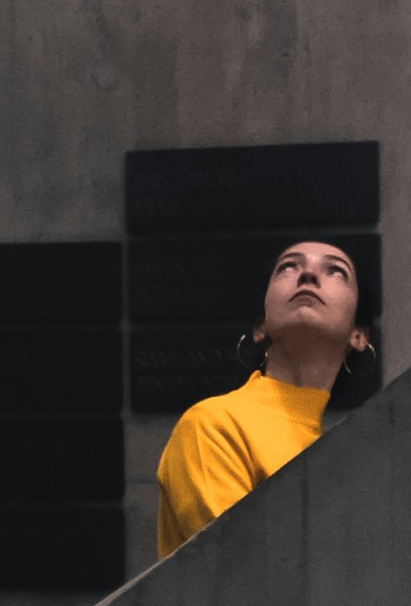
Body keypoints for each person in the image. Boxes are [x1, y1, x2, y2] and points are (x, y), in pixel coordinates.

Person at [153, 238, 376, 557]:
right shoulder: (213, 425)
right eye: (289, 266)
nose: (308, 275)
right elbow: (246, 575)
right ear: (261, 328)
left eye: (335, 271)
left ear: (359, 335)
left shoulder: (346, 459)